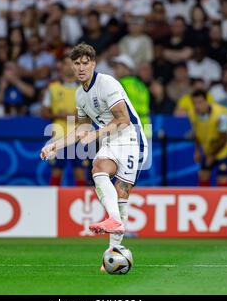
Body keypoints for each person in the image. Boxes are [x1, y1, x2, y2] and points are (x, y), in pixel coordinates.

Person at [40, 43, 148, 261]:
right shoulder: (80, 95)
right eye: (77, 63)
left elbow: (124, 120)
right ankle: (112, 253)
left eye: (85, 63)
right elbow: (81, 129)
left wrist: (96, 135)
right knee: (98, 168)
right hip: (110, 140)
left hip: (131, 139)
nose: (81, 68)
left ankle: (114, 246)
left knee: (121, 197)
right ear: (72, 66)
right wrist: (55, 145)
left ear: (93, 64)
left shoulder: (107, 83)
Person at [41, 54, 89, 186]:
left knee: (79, 171)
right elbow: (44, 111)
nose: (68, 67)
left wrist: (76, 116)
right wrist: (58, 115)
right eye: (65, 63)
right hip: (59, 135)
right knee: (57, 171)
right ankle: (52, 201)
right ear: (60, 67)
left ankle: (82, 202)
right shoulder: (53, 88)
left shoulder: (83, 89)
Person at [189, 90, 227, 187]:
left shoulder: (221, 114)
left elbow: (225, 137)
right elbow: (196, 132)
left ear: (207, 102)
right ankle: (205, 198)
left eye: (200, 102)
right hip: (211, 147)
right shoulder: (192, 114)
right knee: (203, 174)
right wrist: (197, 151)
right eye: (195, 103)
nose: (197, 106)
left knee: (222, 176)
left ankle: (224, 199)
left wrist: (212, 156)